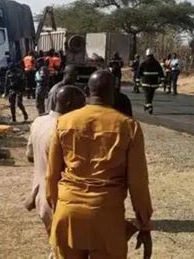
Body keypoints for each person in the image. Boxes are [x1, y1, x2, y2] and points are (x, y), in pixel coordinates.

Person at [46, 70, 153, 259]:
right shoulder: (128, 127)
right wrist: (144, 224)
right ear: (114, 92)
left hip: (68, 210)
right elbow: (138, 183)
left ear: (87, 91)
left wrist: (57, 210)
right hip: (107, 214)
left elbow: (52, 174)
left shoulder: (63, 122)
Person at [24, 86, 86, 236]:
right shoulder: (66, 129)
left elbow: (30, 156)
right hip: (59, 201)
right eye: (82, 105)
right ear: (70, 104)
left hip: (40, 198)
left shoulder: (39, 121)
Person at [138, 49, 164, 114]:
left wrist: (137, 81)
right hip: (154, 83)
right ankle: (147, 105)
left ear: (146, 55)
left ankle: (149, 106)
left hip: (145, 82)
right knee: (151, 95)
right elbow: (161, 72)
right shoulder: (156, 63)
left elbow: (139, 73)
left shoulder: (144, 63)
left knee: (147, 95)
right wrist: (162, 80)